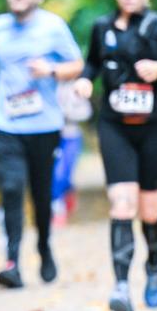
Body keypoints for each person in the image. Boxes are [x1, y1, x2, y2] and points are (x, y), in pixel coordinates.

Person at [74, 0, 157, 311]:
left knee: (150, 208)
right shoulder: (101, 27)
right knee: (121, 204)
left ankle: (153, 267)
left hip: (156, 127)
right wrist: (84, 80)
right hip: (115, 126)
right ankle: (121, 285)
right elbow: (92, 64)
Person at [0, 0, 83, 290]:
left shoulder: (54, 27)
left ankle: (45, 246)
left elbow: (77, 65)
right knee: (10, 188)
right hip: (4, 124)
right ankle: (12, 262)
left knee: (41, 193)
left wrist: (50, 69)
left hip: (44, 125)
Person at [50, 80, 92, 227]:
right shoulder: (47, 84)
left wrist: (68, 113)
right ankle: (57, 207)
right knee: (57, 173)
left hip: (71, 136)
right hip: (52, 136)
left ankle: (68, 192)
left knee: (66, 173)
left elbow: (86, 112)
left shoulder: (76, 85)